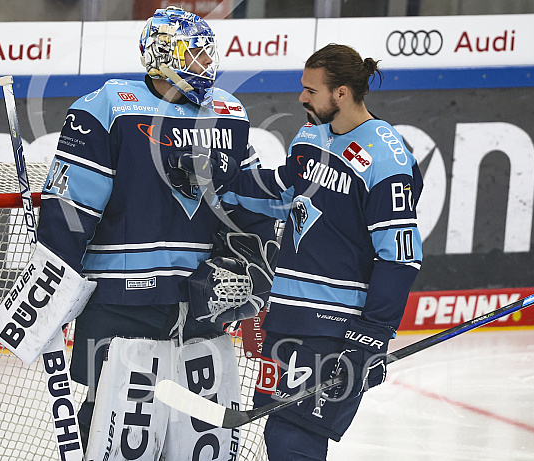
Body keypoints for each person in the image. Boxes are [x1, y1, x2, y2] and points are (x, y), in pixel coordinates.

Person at [36, 6, 276, 460]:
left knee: (198, 437)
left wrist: (257, 264)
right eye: (195, 54)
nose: (207, 65)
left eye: (209, 54)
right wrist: (53, 280)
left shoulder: (227, 112)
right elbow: (71, 211)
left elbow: (247, 204)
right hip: (120, 305)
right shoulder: (108, 108)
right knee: (116, 426)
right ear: (162, 55)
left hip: (202, 302)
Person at [171, 43, 423, 460]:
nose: (302, 97)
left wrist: (373, 336)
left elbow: (399, 256)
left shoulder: (388, 158)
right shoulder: (311, 135)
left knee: (295, 440)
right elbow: (282, 191)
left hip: (335, 326)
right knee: (282, 435)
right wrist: (220, 178)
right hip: (289, 312)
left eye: (311, 89)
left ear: (341, 92)